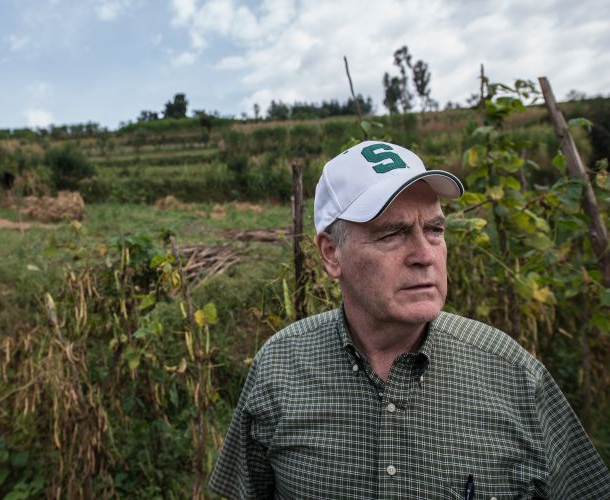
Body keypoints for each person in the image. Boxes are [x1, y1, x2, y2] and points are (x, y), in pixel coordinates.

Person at [209, 141, 610, 498]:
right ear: (331, 254)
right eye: (392, 234)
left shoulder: (514, 374)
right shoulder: (279, 367)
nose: (425, 254)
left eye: (434, 229)